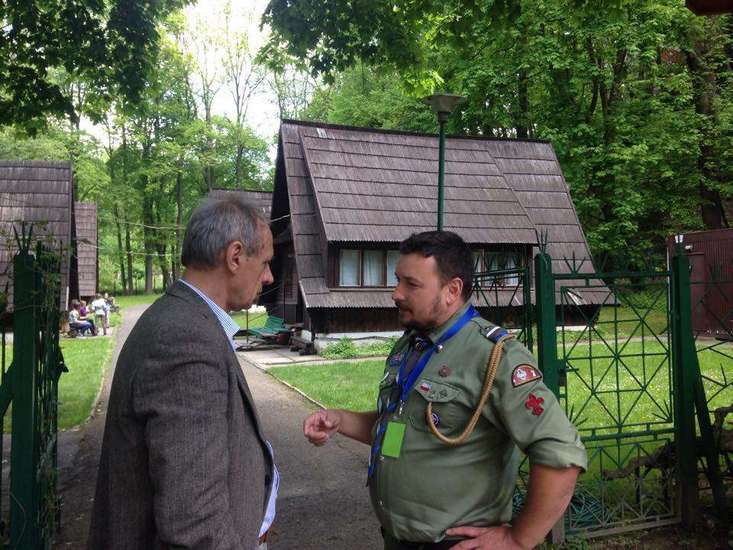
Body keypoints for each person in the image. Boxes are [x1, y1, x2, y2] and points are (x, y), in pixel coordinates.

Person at [304, 231, 587, 550]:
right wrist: (340, 419)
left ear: (452, 290)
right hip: (397, 541)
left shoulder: (494, 356)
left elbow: (561, 453)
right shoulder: (412, 345)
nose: (396, 293)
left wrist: (518, 539)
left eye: (411, 284)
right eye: (398, 280)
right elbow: (401, 429)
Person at [89, 196, 277, 549]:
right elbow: (194, 524)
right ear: (235, 256)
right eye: (265, 262)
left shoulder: (182, 319)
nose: (269, 276)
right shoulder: (185, 339)